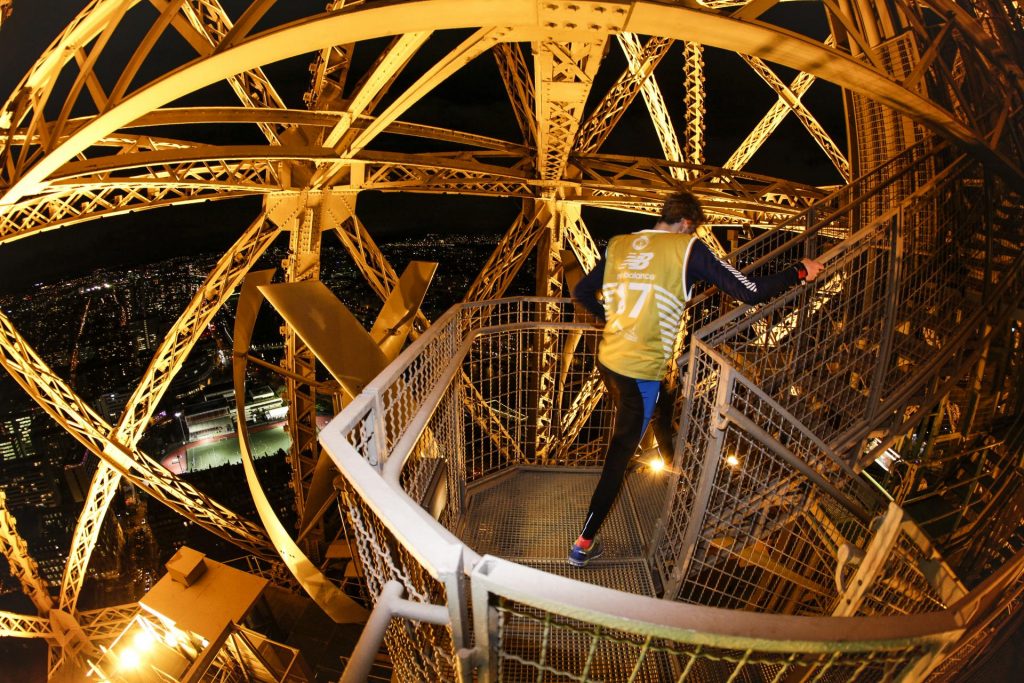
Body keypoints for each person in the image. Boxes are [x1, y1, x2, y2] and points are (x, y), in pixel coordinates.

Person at [567, 191, 823, 567]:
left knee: (661, 403)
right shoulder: (688, 249)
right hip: (640, 372)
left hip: (609, 359)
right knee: (618, 459)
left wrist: (609, 317)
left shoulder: (621, 244)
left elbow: (582, 292)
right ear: (688, 224)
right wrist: (798, 271)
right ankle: (582, 545)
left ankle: (671, 457)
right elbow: (749, 292)